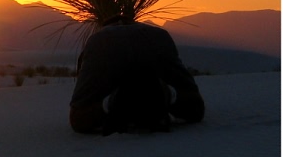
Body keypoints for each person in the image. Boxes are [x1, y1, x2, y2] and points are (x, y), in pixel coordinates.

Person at [69, 15, 205, 135]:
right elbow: (192, 95)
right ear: (134, 22)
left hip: (112, 75)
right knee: (194, 106)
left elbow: (81, 96)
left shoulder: (98, 40)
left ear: (103, 26)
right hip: (157, 85)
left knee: (78, 118)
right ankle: (166, 94)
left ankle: (112, 101)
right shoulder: (160, 35)